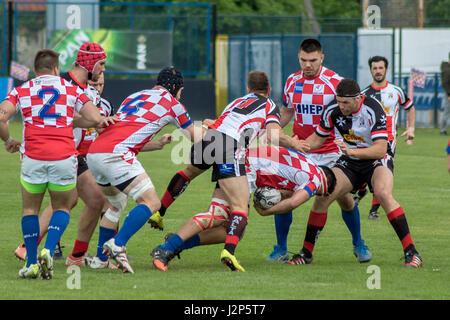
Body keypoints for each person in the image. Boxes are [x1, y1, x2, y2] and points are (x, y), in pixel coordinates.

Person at [151, 70, 310, 272]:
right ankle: (229, 252)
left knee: (193, 178)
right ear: (268, 90)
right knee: (240, 206)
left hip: (210, 138)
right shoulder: (270, 105)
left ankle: (161, 219)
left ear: (248, 89)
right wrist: (296, 144)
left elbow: (220, 122)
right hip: (229, 147)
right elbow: (273, 134)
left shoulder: (237, 101)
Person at [287, 78, 423, 268]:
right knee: (324, 195)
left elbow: (380, 149)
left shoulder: (373, 109)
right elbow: (318, 138)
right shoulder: (332, 109)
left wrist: (352, 151)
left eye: (345, 103)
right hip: (350, 162)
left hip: (376, 159)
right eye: (339, 101)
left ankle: (412, 252)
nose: (341, 106)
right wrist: (298, 147)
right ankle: (306, 254)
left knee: (383, 193)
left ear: (358, 98)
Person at [0, 49, 105, 279]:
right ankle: (48, 250)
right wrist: (72, 120)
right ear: (57, 69)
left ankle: (31, 263)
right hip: (64, 157)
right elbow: (96, 118)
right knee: (63, 207)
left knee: (30, 210)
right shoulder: (70, 89)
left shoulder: (22, 90)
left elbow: (1, 116)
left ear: (36, 69)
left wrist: (8, 140)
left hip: (33, 158)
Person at [86, 66, 202, 273]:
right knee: (152, 202)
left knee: (115, 205)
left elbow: (126, 132)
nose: (180, 95)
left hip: (95, 152)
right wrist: (214, 128)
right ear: (175, 87)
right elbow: (195, 136)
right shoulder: (173, 104)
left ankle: (100, 259)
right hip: (115, 154)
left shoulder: (135, 96)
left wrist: (157, 144)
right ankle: (117, 244)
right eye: (180, 91)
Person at [150, 145, 337, 272]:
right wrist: (266, 211)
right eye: (320, 195)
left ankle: (178, 244)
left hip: (240, 160)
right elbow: (293, 202)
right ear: (325, 186)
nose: (315, 196)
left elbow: (280, 177)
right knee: (217, 215)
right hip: (243, 169)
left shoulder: (307, 163)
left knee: (231, 229)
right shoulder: (316, 180)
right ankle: (167, 248)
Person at [268, 38, 344, 261]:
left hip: (330, 152)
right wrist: (271, 129)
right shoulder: (292, 81)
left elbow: (347, 114)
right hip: (301, 150)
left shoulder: (335, 82)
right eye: (303, 60)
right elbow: (287, 112)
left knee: (345, 200)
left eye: (312, 60)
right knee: (284, 194)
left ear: (322, 58)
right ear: (298, 58)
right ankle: (281, 248)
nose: (308, 64)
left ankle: (358, 243)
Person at [353, 56, 416, 220]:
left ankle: (373, 210)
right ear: (371, 70)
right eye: (375, 68)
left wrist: (411, 128)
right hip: (367, 139)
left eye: (381, 68)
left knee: (382, 171)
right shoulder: (364, 94)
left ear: (386, 69)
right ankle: (361, 190)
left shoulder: (396, 91)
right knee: (365, 170)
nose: (378, 71)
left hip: (388, 140)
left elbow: (409, 107)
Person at [439, 52, 450, 135]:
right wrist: (449, 94)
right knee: (446, 112)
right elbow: (445, 83)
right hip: (448, 94)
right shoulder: (447, 70)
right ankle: (442, 130)